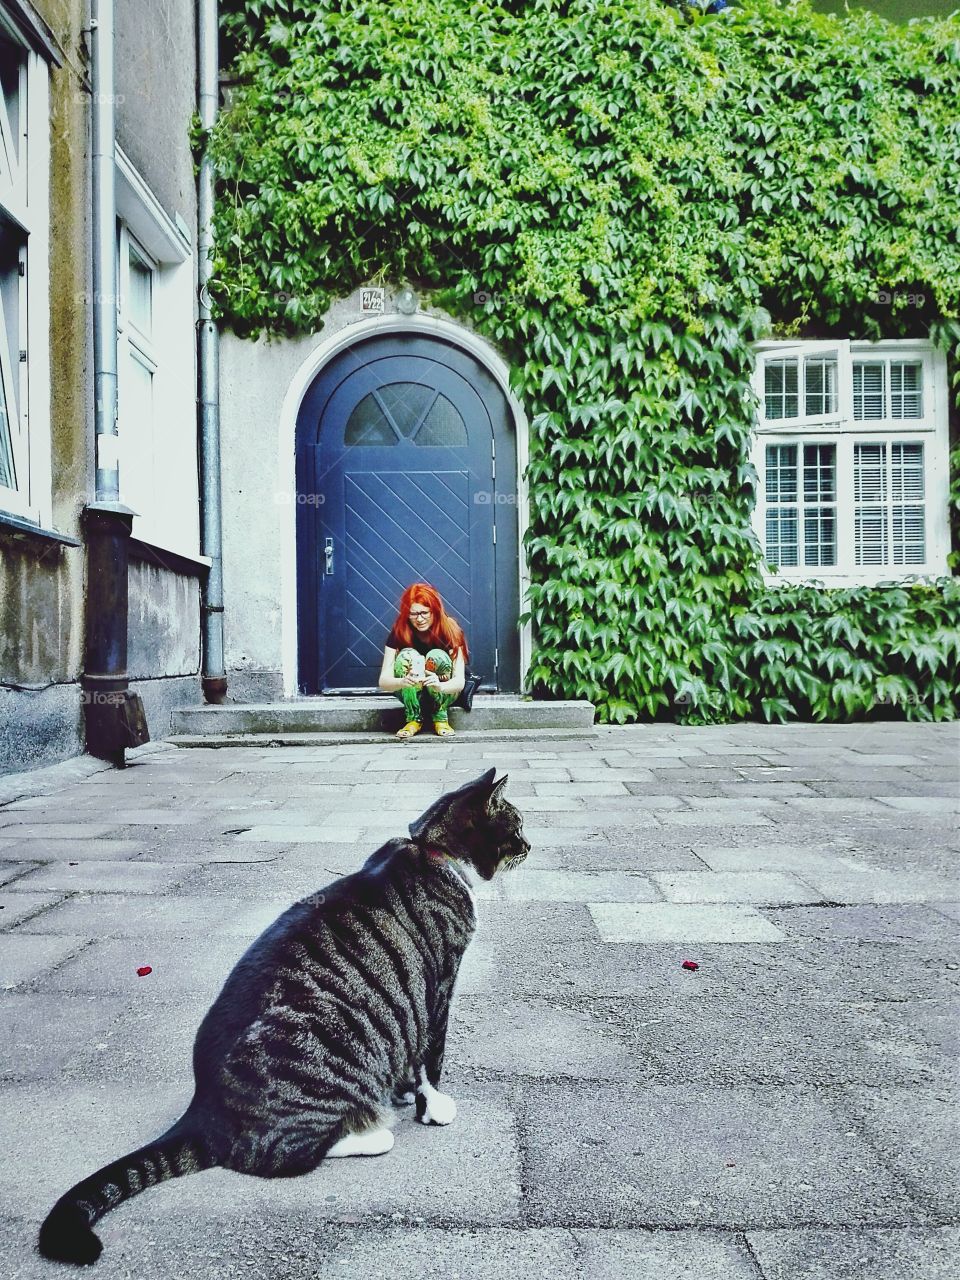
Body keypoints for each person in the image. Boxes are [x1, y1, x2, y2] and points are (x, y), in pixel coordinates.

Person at [378, 583, 468, 739]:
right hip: (410, 692)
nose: (419, 619)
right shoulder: (400, 631)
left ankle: (440, 716)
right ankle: (413, 718)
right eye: (413, 614)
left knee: (437, 656)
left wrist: (439, 686)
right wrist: (402, 682)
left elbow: (459, 681)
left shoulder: (450, 630)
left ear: (435, 610)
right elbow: (384, 681)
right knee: (407, 655)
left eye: (424, 613)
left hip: (444, 692)